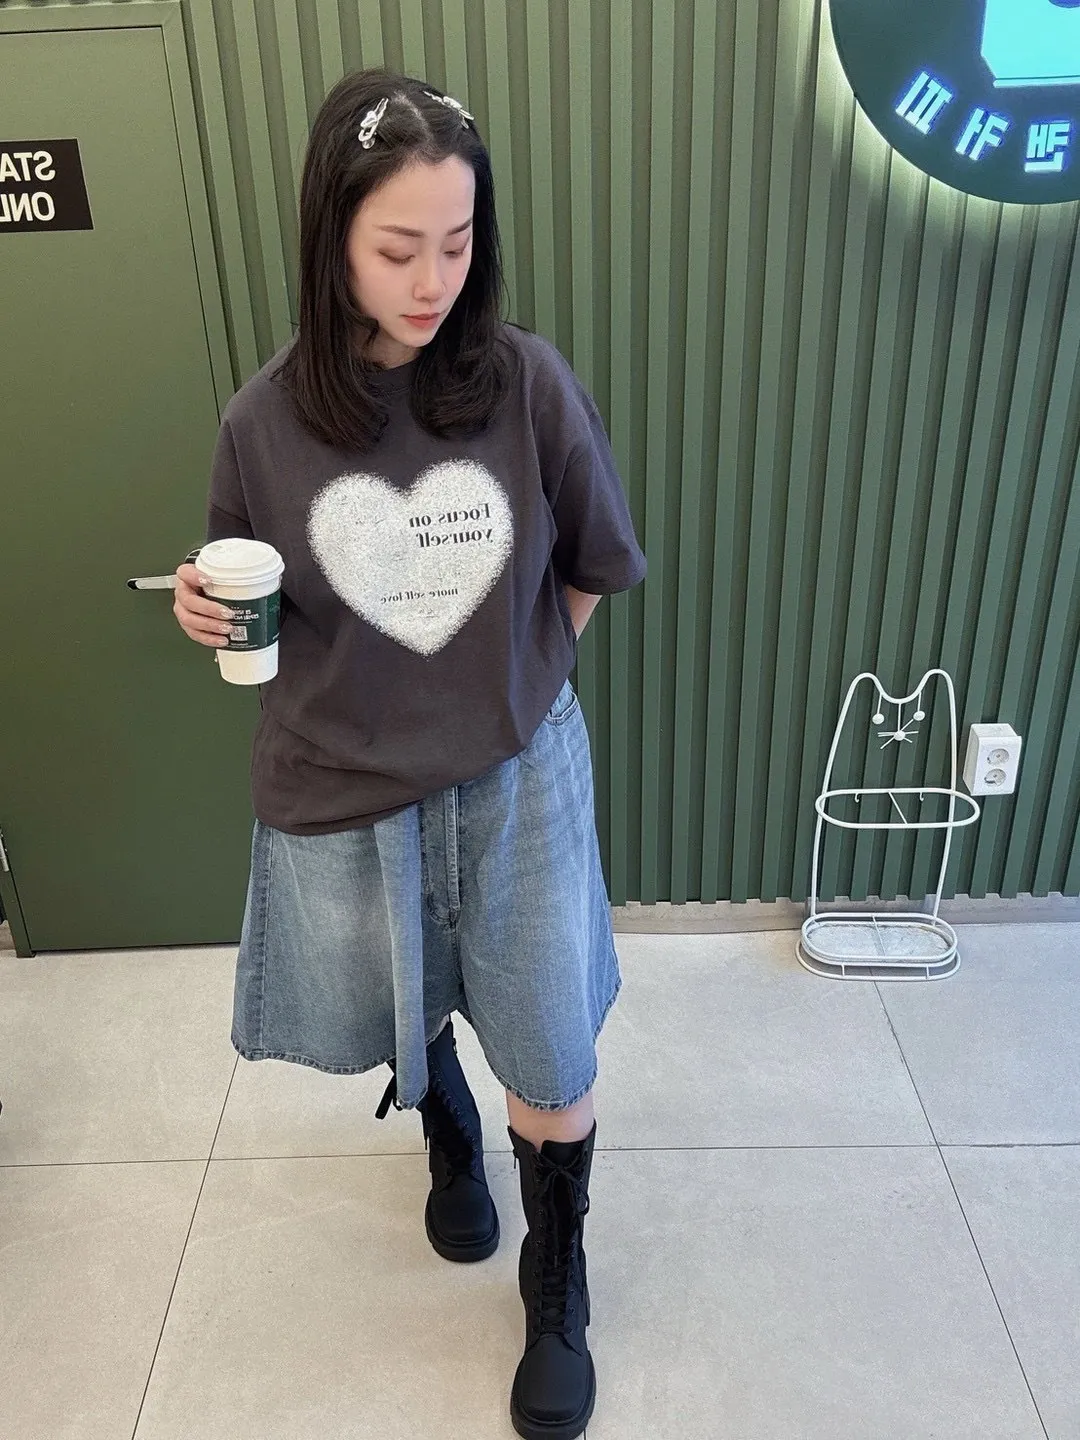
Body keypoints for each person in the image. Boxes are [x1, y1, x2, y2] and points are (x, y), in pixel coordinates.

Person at [172, 68, 646, 1440]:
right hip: (344, 786)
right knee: (406, 992)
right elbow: (250, 592)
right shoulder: (262, 422)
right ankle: (443, 1126)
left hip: (517, 777)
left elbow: (592, 564)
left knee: (550, 1045)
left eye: (457, 241)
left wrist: (512, 687)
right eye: (397, 249)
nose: (432, 279)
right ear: (331, 237)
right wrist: (205, 606)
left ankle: (554, 1283)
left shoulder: (525, 384)